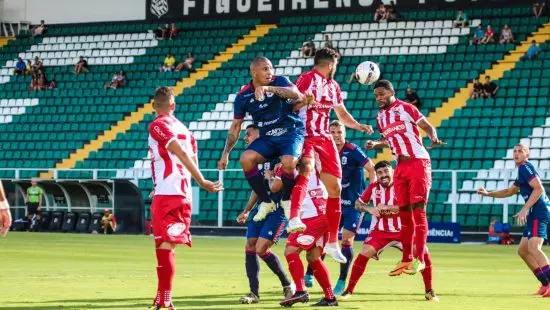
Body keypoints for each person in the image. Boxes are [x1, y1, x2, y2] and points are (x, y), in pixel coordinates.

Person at [290, 48, 373, 263]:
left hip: (324, 137)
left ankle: (331, 243)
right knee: (307, 168)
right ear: (330, 65)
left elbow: (342, 114)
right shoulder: (307, 78)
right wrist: (303, 102)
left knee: (334, 189)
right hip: (305, 134)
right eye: (336, 64)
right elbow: (289, 105)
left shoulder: (333, 86)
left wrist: (357, 125)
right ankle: (294, 217)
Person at [148, 87, 223, 310]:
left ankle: (166, 297)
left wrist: (201, 180)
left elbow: (178, 151)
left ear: (154, 105)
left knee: (163, 246)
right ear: (174, 105)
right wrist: (195, 181)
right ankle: (161, 295)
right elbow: (192, 156)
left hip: (168, 194)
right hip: (182, 194)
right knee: (168, 246)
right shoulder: (186, 129)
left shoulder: (158, 125)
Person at [218, 57, 307, 230]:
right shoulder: (243, 96)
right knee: (246, 159)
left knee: (289, 164)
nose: (270, 72)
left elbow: (296, 94)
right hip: (268, 137)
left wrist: (267, 88)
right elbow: (235, 127)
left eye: (271, 68)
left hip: (290, 132)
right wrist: (225, 154)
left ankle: (287, 199)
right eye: (265, 69)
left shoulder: (279, 81)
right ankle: (266, 202)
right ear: (254, 72)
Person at [366, 80, 444, 276]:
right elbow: (389, 139)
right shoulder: (380, 117)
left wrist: (433, 137)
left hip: (418, 162)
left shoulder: (406, 108)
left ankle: (419, 259)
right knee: (404, 215)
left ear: (392, 92)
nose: (379, 98)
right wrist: (376, 144)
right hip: (400, 167)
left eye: (382, 94)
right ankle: (406, 258)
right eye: (376, 95)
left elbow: (427, 126)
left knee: (418, 213)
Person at [341, 160, 439, 301]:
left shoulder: (403, 185)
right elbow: (358, 204)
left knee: (423, 253)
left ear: (392, 171)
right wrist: (370, 209)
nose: (383, 175)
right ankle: (349, 290)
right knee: (364, 253)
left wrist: (387, 208)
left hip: (404, 230)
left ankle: (429, 291)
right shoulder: (374, 187)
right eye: (379, 173)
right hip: (381, 231)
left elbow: (412, 207)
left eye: (386, 171)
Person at [304, 120, 376, 294]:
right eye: (333, 132)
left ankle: (342, 279)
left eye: (339, 132)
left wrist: (368, 194)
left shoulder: (353, 151)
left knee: (345, 240)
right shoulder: (322, 150)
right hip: (330, 202)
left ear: (345, 133)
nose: (336, 135)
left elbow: (372, 169)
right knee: (322, 239)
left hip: (353, 205)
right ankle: (310, 272)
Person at [477, 144, 550, 297]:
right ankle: (545, 284)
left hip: (539, 212)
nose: (516, 154)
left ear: (527, 154)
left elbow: (539, 189)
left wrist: (524, 209)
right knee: (523, 250)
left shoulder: (525, 167)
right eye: (515, 151)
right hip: (533, 213)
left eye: (520, 151)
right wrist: (488, 194)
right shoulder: (521, 171)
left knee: (534, 248)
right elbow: (509, 191)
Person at [236, 124, 294, 304]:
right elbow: (257, 189)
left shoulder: (281, 157)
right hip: (261, 208)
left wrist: (270, 176)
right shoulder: (258, 162)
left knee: (261, 248)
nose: (245, 138)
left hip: (277, 210)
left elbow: (279, 185)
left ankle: (287, 284)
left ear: (260, 135)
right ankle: (254, 293)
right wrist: (246, 211)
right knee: (250, 245)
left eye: (248, 134)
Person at [280, 163, 338, 307]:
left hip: (313, 215)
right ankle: (330, 298)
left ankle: (300, 291)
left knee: (291, 250)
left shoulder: (295, 160)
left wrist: (270, 175)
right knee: (313, 257)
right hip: (322, 211)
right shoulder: (315, 162)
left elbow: (275, 186)